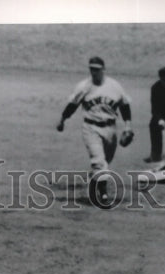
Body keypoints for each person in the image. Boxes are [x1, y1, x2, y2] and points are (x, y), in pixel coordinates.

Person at [56, 56, 133, 203]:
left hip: (110, 128)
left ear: (103, 69)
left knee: (106, 161)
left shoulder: (114, 86)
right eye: (92, 69)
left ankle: (95, 181)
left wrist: (128, 126)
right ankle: (102, 193)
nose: (94, 72)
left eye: (97, 69)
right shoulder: (84, 86)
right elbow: (73, 105)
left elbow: (124, 105)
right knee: (98, 161)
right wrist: (62, 119)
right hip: (90, 127)